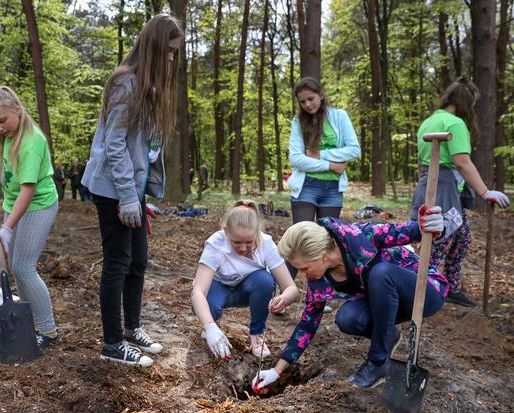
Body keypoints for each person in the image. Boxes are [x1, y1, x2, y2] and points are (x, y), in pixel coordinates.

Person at [81, 14, 183, 367]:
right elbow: (115, 144)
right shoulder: (126, 83)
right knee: (118, 263)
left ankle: (131, 329)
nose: (172, 59)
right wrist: (126, 195)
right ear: (155, 49)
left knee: (138, 261)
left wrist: (143, 191)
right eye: (169, 52)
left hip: (131, 189)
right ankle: (111, 345)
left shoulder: (151, 86)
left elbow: (148, 146)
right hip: (112, 189)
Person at [252, 212, 448, 391]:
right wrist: (277, 371)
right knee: (348, 317)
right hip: (386, 303)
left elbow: (409, 230)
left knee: (381, 274)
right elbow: (307, 324)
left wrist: (433, 223)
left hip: (424, 291)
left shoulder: (360, 236)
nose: (303, 275)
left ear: (323, 256)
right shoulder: (318, 278)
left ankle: (378, 361)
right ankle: (387, 337)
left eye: (305, 268)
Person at [411, 77, 510, 307]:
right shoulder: (455, 123)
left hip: (430, 183)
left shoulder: (428, 121)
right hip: (443, 186)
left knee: (462, 235)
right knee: (440, 239)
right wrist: (486, 193)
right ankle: (426, 291)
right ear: (466, 102)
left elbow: (421, 161)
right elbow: (462, 161)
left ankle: (451, 287)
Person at [0, 86, 59, 349]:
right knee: (19, 268)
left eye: (2, 120)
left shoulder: (31, 142)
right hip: (13, 205)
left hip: (37, 205)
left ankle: (47, 330)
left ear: (18, 110)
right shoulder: (6, 136)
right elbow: (2, 159)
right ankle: (29, 324)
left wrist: (8, 226)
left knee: (24, 267)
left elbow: (28, 189)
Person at [191, 200, 300, 359]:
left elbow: (291, 288)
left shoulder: (266, 245)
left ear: (257, 232)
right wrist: (210, 327)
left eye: (249, 242)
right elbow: (198, 291)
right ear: (226, 231)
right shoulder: (216, 244)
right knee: (208, 303)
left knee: (264, 280)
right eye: (236, 242)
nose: (243, 248)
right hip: (218, 289)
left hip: (247, 290)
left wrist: (283, 298)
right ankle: (214, 326)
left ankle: (257, 335)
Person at [286, 77, 361, 279]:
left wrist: (320, 155)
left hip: (332, 190)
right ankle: (282, 291)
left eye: (311, 98)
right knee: (299, 240)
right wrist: (331, 165)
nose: (307, 104)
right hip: (306, 187)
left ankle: (321, 294)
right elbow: (296, 159)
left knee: (325, 245)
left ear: (321, 95)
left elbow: (354, 150)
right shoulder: (298, 122)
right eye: (302, 102)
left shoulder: (339, 116)